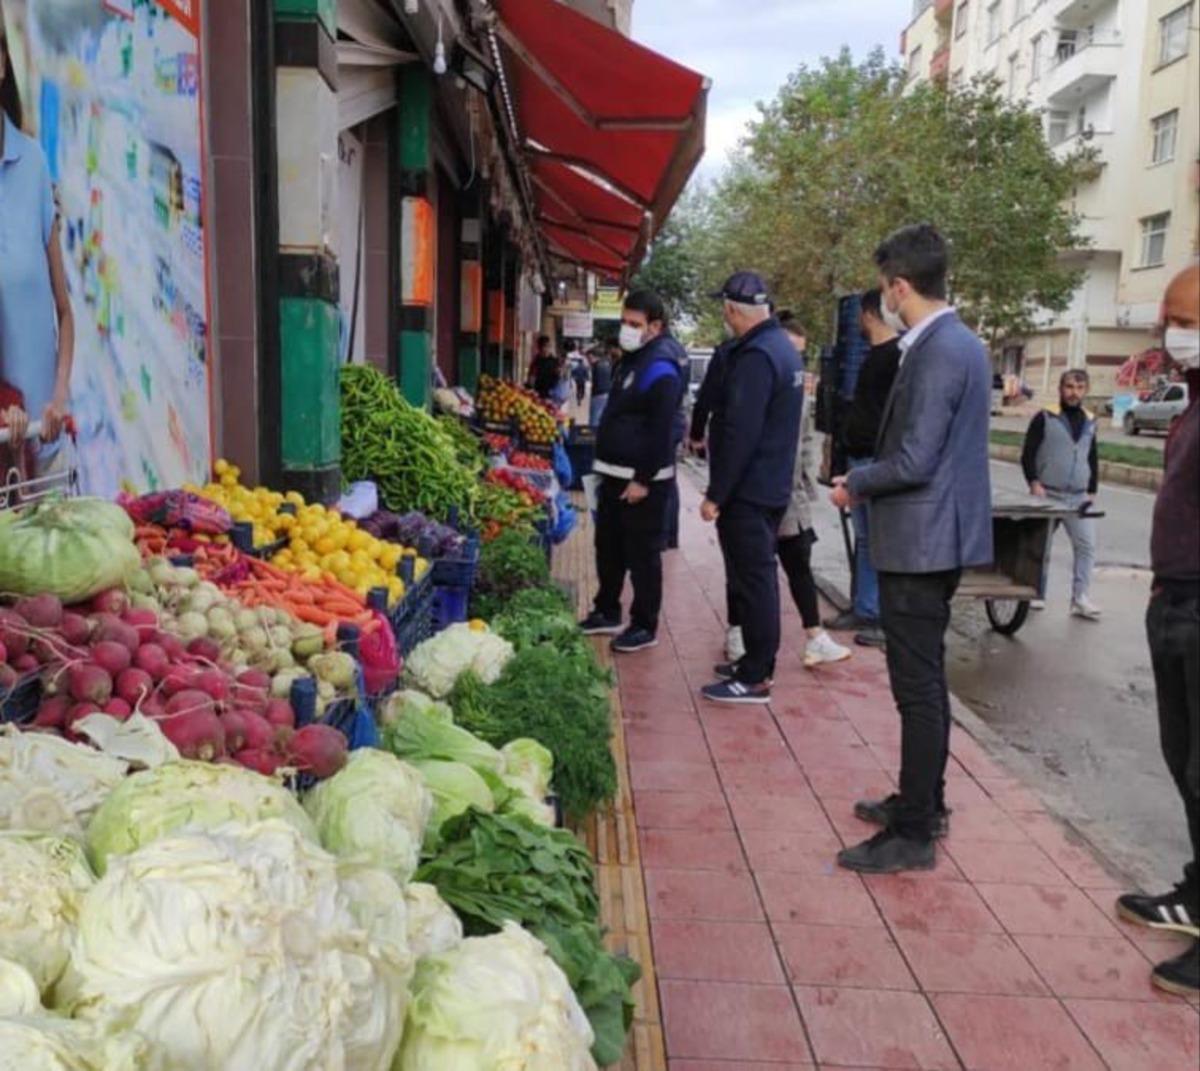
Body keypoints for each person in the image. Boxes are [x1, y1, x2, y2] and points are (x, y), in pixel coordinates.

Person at [830, 224, 992, 873]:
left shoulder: (942, 350)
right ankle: (924, 800)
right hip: (928, 538)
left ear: (900, 285)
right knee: (921, 684)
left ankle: (915, 831)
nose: (883, 298)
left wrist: (857, 483)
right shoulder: (947, 344)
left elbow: (917, 457)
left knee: (917, 688)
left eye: (884, 287)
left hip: (923, 542)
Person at [1115, 262, 1199, 996]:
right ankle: (1196, 895)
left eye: (1184, 320)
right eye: (1168, 321)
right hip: (1175, 599)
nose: (1170, 335)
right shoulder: (1193, 401)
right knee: (1185, 760)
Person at [699, 273, 803, 704]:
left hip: (749, 491)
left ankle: (757, 675)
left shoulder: (758, 356)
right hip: (769, 486)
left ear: (731, 310)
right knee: (751, 579)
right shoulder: (781, 347)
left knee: (756, 581)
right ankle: (751, 664)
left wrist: (716, 495)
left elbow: (742, 431)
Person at [579, 289, 686, 653]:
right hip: (612, 473)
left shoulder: (662, 365)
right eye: (624, 322)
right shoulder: (635, 358)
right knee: (607, 547)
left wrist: (642, 479)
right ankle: (607, 609)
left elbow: (661, 428)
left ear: (655, 326)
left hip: (643, 482)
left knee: (641, 555)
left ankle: (644, 624)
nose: (626, 329)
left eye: (634, 324)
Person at [0, 26, 74, 477]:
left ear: (2, 65)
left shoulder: (33, 165)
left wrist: (58, 398)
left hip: (43, 452)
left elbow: (64, 314)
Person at [825, 289, 900, 649]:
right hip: (859, 459)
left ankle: (883, 616)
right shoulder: (873, 356)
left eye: (859, 315)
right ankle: (865, 607)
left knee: (881, 541)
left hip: (875, 461)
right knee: (866, 540)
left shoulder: (896, 357)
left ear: (870, 314)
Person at [776, 311, 852, 668]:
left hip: (790, 498)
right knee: (749, 571)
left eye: (801, 355)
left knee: (799, 561)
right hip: (759, 496)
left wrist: (806, 485)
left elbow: (805, 443)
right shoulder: (759, 385)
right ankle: (739, 632)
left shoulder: (798, 394)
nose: (796, 361)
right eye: (791, 351)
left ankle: (815, 635)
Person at [1020, 370, 1101, 620]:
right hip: (1048, 493)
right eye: (1069, 386)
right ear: (1060, 388)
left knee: (1086, 546)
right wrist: (1034, 481)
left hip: (1078, 497)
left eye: (1079, 387)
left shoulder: (1090, 420)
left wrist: (1092, 489)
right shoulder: (1045, 417)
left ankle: (1080, 598)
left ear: (1086, 390)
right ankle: (1036, 593)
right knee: (1040, 546)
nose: (1073, 392)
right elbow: (1028, 452)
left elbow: (1092, 456)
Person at [528, 335, 561, 400]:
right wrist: (531, 388)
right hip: (537, 394)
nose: (545, 349)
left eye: (547, 346)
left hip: (552, 395)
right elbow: (531, 377)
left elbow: (558, 377)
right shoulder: (535, 361)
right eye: (543, 346)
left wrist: (559, 373)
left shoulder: (555, 361)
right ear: (539, 348)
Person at [589, 345, 612, 426]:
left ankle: (593, 435)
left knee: (594, 418)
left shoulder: (596, 366)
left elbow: (597, 382)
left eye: (590, 357)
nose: (589, 360)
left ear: (595, 356)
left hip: (598, 394)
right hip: (606, 393)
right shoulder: (607, 363)